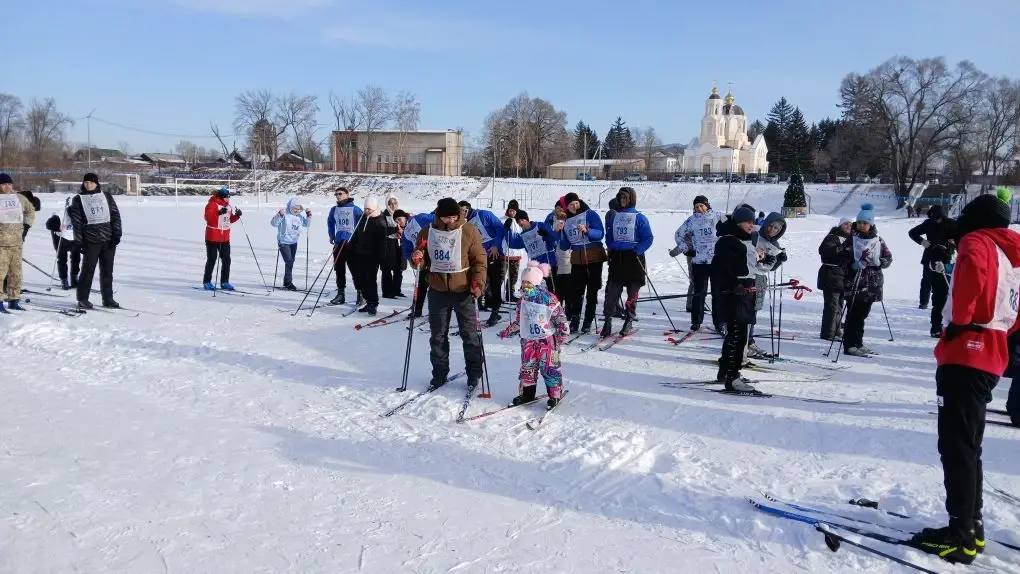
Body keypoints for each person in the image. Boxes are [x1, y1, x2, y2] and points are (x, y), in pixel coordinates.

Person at [911, 189, 1020, 564]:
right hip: (992, 351)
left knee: (956, 445)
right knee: (969, 444)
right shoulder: (1010, 248)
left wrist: (961, 321)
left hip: (967, 349)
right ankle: (970, 525)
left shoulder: (978, 240)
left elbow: (972, 275)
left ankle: (960, 535)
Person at [410, 197, 487, 389]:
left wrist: (478, 283)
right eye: (446, 218)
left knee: (469, 335)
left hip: (463, 291)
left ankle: (474, 373)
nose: (451, 221)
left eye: (454, 216)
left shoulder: (469, 231)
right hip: (437, 291)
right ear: (439, 215)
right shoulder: (428, 231)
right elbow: (421, 258)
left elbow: (479, 260)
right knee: (437, 335)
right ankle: (439, 373)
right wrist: (417, 259)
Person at [498, 261, 570, 408]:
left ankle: (555, 395)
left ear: (537, 282)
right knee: (528, 368)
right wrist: (508, 331)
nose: (525, 286)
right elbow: (520, 321)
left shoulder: (549, 299)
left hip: (548, 342)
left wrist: (563, 334)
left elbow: (560, 318)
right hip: (529, 342)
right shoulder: (522, 301)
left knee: (550, 367)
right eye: (523, 282)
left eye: (528, 283)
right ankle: (527, 395)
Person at [710, 206, 760, 391]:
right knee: (737, 336)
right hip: (734, 294)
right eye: (747, 221)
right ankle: (732, 376)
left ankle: (726, 372)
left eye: (753, 222)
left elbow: (747, 265)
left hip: (745, 292)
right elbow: (720, 269)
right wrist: (734, 285)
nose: (751, 225)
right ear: (738, 222)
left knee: (737, 334)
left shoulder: (744, 240)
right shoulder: (728, 241)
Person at [601, 187, 653, 338]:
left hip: (634, 259)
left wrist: (637, 250)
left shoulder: (640, 217)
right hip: (618, 258)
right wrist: (611, 246)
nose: (623, 201)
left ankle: (629, 318)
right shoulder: (614, 217)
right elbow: (609, 235)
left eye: (625, 198)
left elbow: (648, 238)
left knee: (632, 292)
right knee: (612, 292)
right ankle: (608, 320)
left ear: (631, 199)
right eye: (620, 198)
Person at [842, 204, 892, 357]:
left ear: (871, 224)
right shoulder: (852, 239)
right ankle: (850, 344)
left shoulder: (878, 240)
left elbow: (888, 258)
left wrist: (881, 262)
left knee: (862, 315)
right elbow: (843, 258)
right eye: (860, 222)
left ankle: (858, 342)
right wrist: (853, 266)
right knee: (853, 315)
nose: (862, 225)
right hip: (855, 283)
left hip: (872, 284)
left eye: (866, 223)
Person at [670, 195, 725, 333]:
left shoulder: (718, 216)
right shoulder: (691, 220)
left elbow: (732, 225)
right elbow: (678, 234)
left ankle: (719, 322)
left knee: (717, 293)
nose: (699, 208)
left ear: (707, 205)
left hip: (717, 261)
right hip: (699, 262)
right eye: (696, 206)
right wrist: (686, 248)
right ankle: (696, 321)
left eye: (701, 205)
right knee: (699, 293)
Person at [68, 173, 123, 309]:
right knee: (88, 270)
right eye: (86, 182)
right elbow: (77, 222)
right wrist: (79, 241)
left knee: (107, 271)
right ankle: (82, 299)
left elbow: (115, 215)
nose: (88, 185)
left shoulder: (106, 196)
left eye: (91, 182)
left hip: (108, 239)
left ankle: (108, 299)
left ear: (97, 183)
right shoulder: (78, 199)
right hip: (90, 240)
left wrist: (117, 234)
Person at [558, 192, 606, 334]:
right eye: (571, 205)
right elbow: (564, 246)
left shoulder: (589, 214)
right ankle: (575, 319)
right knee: (576, 292)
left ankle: (588, 320)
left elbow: (600, 233)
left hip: (593, 256)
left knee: (592, 290)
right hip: (577, 259)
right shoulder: (566, 220)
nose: (574, 206)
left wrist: (588, 230)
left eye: (576, 203)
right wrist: (561, 233)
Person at [909, 205, 957, 337]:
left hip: (946, 260)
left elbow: (961, 240)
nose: (937, 221)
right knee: (929, 285)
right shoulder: (928, 223)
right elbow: (912, 232)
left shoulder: (952, 224)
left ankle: (946, 323)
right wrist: (923, 241)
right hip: (930, 258)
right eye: (934, 218)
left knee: (944, 292)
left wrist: (952, 244)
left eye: (939, 219)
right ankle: (928, 311)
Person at [747, 212, 788, 359]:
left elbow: (770, 267)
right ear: (766, 224)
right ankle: (744, 342)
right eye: (771, 226)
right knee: (747, 310)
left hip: (761, 279)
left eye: (777, 228)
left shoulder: (775, 245)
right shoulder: (755, 235)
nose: (773, 230)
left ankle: (749, 341)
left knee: (754, 311)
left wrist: (779, 260)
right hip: (749, 277)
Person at [458, 200, 505, 326]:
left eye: (463, 210)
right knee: (477, 281)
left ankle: (495, 311)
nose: (462, 213)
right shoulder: (463, 223)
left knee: (495, 283)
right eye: (460, 211)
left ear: (468, 209)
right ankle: (476, 308)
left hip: (492, 253)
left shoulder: (484, 215)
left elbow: (501, 229)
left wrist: (496, 245)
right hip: (477, 257)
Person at [0, 173, 34, 313]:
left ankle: (14, 300)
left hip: (16, 243)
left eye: (9, 184)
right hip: (1, 244)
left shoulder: (19, 198)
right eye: (3, 184)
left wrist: (25, 227)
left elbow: (30, 211)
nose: (7, 187)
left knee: (16, 274)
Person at [817, 217, 853, 340]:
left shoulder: (849, 239)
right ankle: (828, 333)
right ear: (840, 225)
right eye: (846, 224)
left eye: (850, 224)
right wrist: (843, 249)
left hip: (841, 276)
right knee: (832, 306)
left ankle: (836, 332)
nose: (848, 226)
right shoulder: (833, 237)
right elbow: (824, 251)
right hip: (831, 274)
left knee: (838, 306)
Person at [327, 187, 363, 305]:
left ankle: (360, 294)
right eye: (336, 194)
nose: (338, 196)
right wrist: (332, 236)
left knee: (356, 270)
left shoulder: (355, 209)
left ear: (347, 195)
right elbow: (330, 223)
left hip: (351, 244)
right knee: (339, 270)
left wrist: (360, 241)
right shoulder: (334, 210)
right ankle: (341, 294)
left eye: (340, 194)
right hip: (339, 243)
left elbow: (362, 225)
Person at [506, 210, 559, 292]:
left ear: (526, 219)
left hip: (548, 261)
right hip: (535, 266)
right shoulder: (522, 235)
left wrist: (546, 235)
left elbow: (555, 238)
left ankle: (554, 303)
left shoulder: (540, 225)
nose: (521, 223)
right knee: (537, 289)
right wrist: (507, 230)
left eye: (522, 220)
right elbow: (512, 244)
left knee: (552, 287)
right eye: (518, 222)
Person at [350, 197, 386, 315]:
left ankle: (373, 304)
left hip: (372, 256)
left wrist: (381, 258)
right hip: (359, 254)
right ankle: (367, 300)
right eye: (365, 209)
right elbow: (356, 234)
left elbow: (382, 243)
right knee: (359, 279)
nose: (366, 211)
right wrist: (351, 245)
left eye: (369, 209)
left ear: (374, 208)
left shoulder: (380, 221)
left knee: (370, 280)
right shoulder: (362, 218)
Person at [201, 186, 241, 291]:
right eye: (227, 197)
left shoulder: (228, 206)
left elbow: (228, 220)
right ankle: (207, 281)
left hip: (225, 238)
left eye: (229, 197)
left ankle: (224, 282)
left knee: (227, 260)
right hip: (213, 237)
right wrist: (218, 213)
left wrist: (236, 216)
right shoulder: (212, 204)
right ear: (222, 197)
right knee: (212, 259)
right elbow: (208, 218)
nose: (229, 199)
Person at [270, 197, 311, 291]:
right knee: (289, 261)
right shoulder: (285, 215)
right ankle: (288, 283)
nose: (296, 210)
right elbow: (273, 223)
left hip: (293, 242)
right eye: (294, 208)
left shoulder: (299, 217)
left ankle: (286, 281)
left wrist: (309, 215)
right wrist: (279, 215)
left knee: (291, 261)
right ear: (290, 207)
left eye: (298, 209)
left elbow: (307, 224)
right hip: (283, 242)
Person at [401, 209, 435, 317]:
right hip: (423, 260)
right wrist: (413, 261)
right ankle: (417, 310)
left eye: (399, 219)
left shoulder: (420, 218)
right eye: (396, 221)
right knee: (421, 285)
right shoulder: (405, 232)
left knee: (436, 287)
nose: (398, 223)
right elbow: (407, 250)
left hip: (436, 257)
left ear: (406, 217)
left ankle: (436, 312)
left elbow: (437, 220)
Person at [44, 196, 82, 290]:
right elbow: (49, 224)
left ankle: (74, 279)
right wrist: (55, 224)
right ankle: (64, 280)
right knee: (62, 259)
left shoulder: (82, 214)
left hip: (74, 238)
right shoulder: (61, 213)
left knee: (76, 258)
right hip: (61, 238)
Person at [549, 198, 573, 306]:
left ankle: (567, 309)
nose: (558, 211)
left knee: (566, 285)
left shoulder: (568, 221)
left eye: (560, 208)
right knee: (557, 286)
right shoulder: (552, 220)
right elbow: (551, 237)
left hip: (566, 257)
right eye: (556, 208)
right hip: (556, 257)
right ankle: (558, 307)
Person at [381, 197, 405, 298]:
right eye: (390, 203)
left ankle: (396, 290)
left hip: (399, 243)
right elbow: (382, 230)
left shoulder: (400, 214)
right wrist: (395, 230)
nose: (393, 205)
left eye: (395, 203)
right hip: (388, 244)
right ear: (387, 204)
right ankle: (387, 292)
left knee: (399, 268)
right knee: (387, 268)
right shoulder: (383, 215)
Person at [503, 199, 525, 302]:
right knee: (501, 275)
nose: (512, 212)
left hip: (516, 253)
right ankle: (494, 294)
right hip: (505, 253)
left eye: (514, 211)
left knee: (514, 275)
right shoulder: (504, 219)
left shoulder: (519, 221)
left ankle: (510, 293)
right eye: (510, 210)